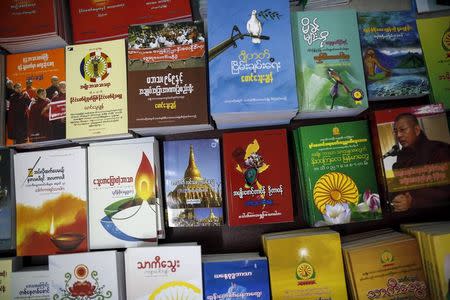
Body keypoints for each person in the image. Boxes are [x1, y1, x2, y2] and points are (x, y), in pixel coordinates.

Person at [391, 113, 450, 212]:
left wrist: (413, 202)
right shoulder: (401, 156)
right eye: (396, 131)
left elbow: (446, 192)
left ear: (417, 130)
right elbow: (400, 186)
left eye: (403, 130)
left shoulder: (438, 150)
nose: (399, 135)